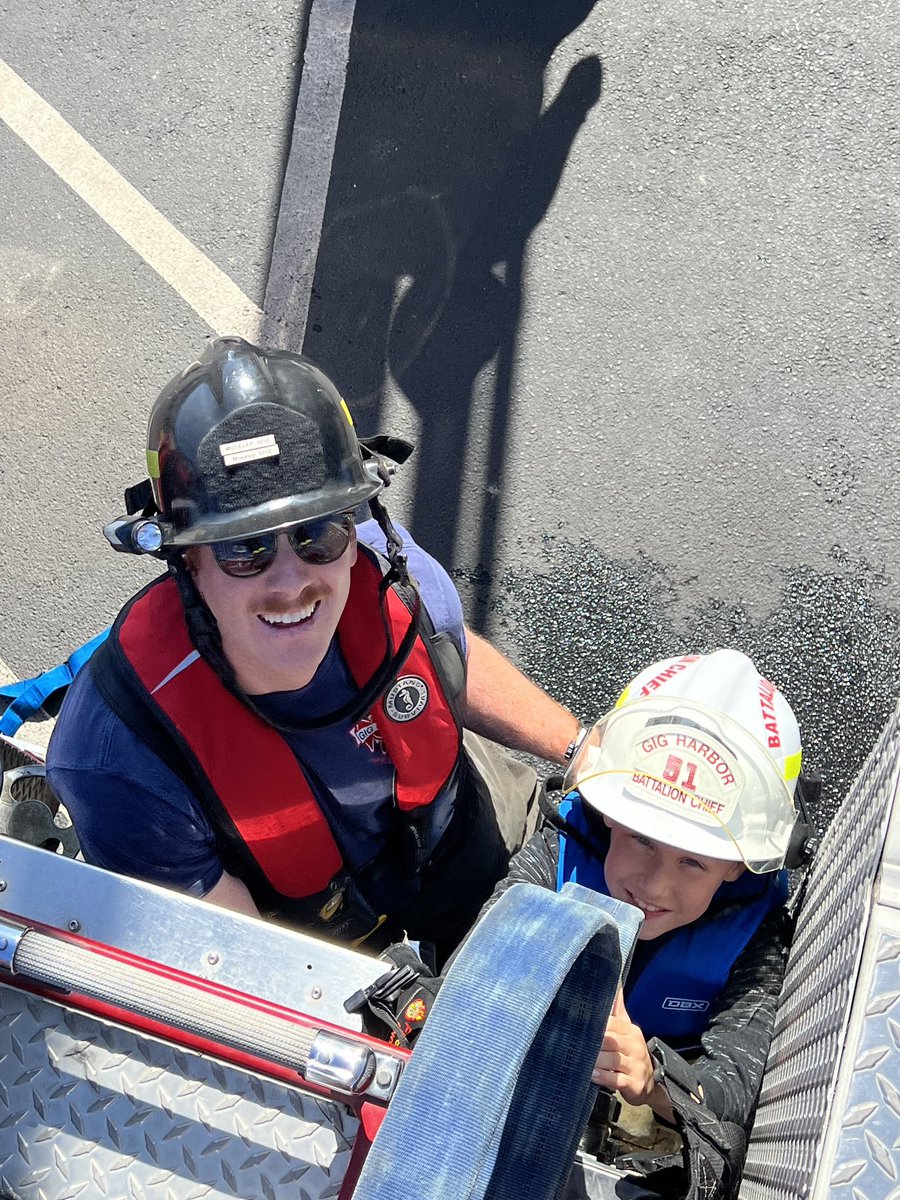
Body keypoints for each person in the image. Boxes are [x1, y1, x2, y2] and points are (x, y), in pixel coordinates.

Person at [46, 336, 583, 965]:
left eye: (317, 534)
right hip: (309, 937)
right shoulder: (123, 759)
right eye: (244, 548)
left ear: (353, 533)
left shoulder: (399, 584)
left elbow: (448, 649)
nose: (291, 582)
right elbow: (242, 964)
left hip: (447, 840)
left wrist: (579, 748)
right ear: (187, 561)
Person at [374, 649, 813, 1197]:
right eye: (641, 839)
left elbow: (737, 1089)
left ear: (737, 866)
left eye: (692, 862)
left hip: (650, 1124)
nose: (654, 886)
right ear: (608, 812)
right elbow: (481, 966)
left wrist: (652, 1081)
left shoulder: (756, 933)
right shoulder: (558, 854)